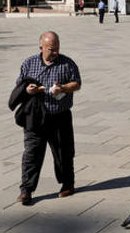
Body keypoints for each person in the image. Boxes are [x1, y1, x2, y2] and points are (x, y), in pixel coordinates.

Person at [13, 31, 81, 205]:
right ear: (41, 47)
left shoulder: (67, 63)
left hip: (60, 116)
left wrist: (63, 88)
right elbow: (20, 84)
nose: (55, 52)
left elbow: (77, 84)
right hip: (35, 117)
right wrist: (28, 90)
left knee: (63, 152)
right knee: (31, 154)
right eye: (52, 49)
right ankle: (26, 190)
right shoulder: (29, 63)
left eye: (57, 48)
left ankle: (67, 184)